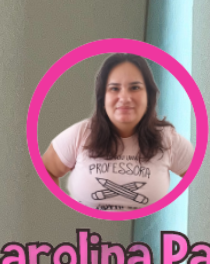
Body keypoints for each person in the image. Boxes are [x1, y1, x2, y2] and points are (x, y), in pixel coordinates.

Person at [41, 53, 193, 211]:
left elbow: (202, 177)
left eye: (135, 87)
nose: (125, 98)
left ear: (148, 95)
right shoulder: (80, 133)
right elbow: (45, 170)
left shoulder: (167, 139)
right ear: (103, 97)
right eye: (114, 88)